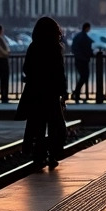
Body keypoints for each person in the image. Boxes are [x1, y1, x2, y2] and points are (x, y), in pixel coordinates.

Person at [20, 16, 68, 168]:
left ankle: (38, 157)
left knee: (37, 127)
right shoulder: (55, 48)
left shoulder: (33, 47)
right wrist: (63, 92)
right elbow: (60, 72)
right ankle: (52, 155)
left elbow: (26, 68)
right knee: (57, 128)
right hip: (51, 94)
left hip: (35, 93)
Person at [71, 22, 94, 102]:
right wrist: (91, 54)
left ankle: (76, 94)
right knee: (84, 77)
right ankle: (76, 94)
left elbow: (74, 48)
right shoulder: (84, 38)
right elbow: (87, 49)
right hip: (83, 60)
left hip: (78, 60)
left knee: (83, 77)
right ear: (87, 28)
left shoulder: (78, 36)